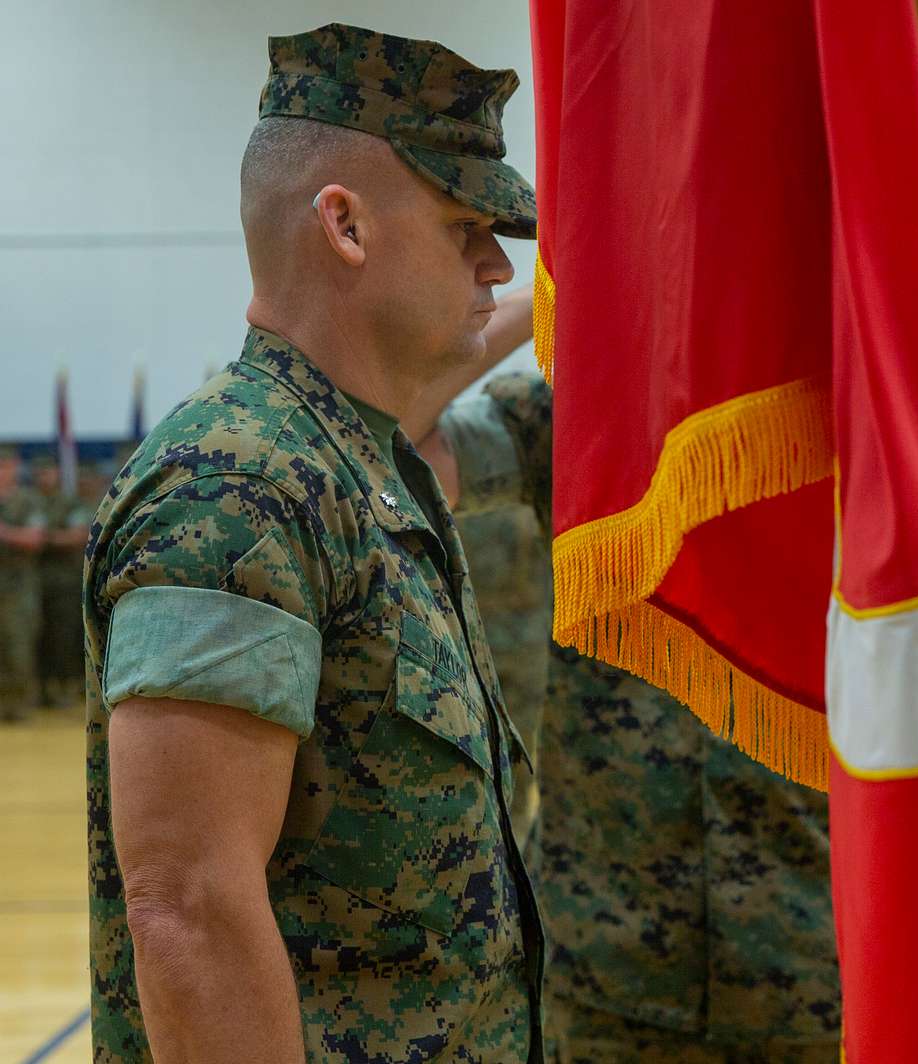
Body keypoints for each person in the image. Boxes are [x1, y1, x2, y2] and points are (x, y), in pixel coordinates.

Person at [82, 24, 544, 1061]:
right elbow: (188, 906)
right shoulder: (236, 483)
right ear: (344, 225)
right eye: (467, 221)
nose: (497, 261)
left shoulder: (354, 460)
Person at [400, 360, 842, 1062]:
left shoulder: (857, 400)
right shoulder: (579, 407)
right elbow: (402, 446)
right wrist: (540, 297)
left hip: (816, 952)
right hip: (608, 956)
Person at [456, 503, 550, 840]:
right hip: (470, 646)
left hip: (527, 647)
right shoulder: (456, 472)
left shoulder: (526, 473)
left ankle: (515, 841)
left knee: (519, 759)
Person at [33, 456, 91, 708]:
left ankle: (65, 687)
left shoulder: (69, 502)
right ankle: (40, 689)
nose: (44, 477)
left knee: (64, 637)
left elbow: (77, 536)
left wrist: (44, 538)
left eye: (48, 472)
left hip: (65, 583)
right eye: (40, 473)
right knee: (38, 636)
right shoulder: (30, 501)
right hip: (34, 583)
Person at [0, 445, 46, 722]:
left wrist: (5, 534)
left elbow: (35, 539)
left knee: (19, 646)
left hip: (18, 587)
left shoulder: (27, 500)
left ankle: (20, 705)